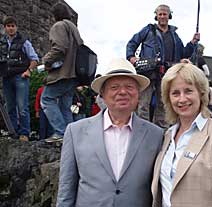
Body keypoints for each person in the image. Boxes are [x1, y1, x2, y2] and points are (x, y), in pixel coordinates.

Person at [56, 58, 163, 207]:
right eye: (114, 87)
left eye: (129, 86)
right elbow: (66, 189)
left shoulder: (156, 135)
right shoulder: (75, 132)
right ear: (102, 94)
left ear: (138, 93)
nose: (123, 92)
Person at [152, 63, 212, 207]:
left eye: (188, 91)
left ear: (201, 93)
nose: (182, 99)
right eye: (175, 93)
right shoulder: (167, 136)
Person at [126, 4, 200, 128]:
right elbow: (132, 43)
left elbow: (183, 53)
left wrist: (193, 43)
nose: (162, 16)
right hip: (148, 72)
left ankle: (161, 132)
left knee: (164, 104)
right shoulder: (148, 30)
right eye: (159, 14)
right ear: (156, 16)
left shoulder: (174, 36)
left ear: (169, 16)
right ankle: (141, 129)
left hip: (166, 74)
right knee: (143, 103)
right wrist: (131, 57)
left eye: (164, 14)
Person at [41, 2, 83, 142]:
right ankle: (70, 138)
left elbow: (59, 48)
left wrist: (46, 60)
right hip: (74, 74)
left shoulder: (59, 26)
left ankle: (60, 133)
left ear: (55, 15)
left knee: (46, 99)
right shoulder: (73, 28)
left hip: (62, 73)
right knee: (65, 106)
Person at [0, 16, 39, 141]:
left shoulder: (24, 41)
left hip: (20, 76)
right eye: (8, 26)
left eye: (12, 26)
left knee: (22, 106)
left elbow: (34, 59)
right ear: (5, 28)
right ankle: (13, 132)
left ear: (16, 27)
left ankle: (24, 133)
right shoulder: (2, 43)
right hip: (6, 77)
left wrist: (28, 71)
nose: (10, 28)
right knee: (10, 106)